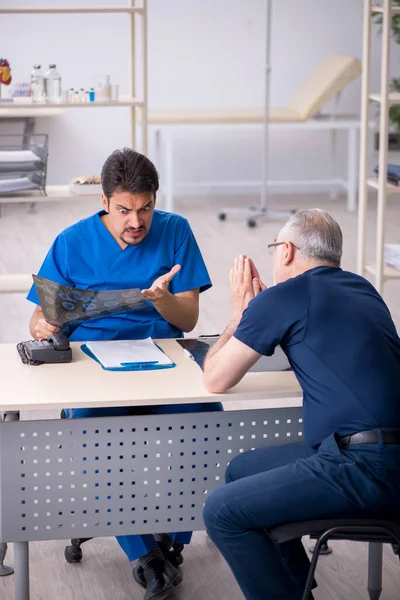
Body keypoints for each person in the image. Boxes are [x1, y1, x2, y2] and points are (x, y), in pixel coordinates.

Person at [27, 148, 222, 600]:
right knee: (93, 433)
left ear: (155, 200)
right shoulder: (72, 241)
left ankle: (173, 541)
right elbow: (39, 318)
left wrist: (160, 300)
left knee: (208, 421)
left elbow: (189, 317)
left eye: (145, 208)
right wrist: (42, 324)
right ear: (104, 201)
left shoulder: (176, 231)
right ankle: (145, 556)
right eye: (124, 210)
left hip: (165, 359)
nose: (136, 221)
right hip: (95, 366)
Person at [202, 209, 400, 600]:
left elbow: (215, 378)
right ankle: (296, 591)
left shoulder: (285, 295)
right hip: (378, 453)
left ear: (287, 251)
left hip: (363, 466)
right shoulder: (363, 288)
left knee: (221, 511)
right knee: (241, 470)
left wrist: (240, 316)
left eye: (275, 248)